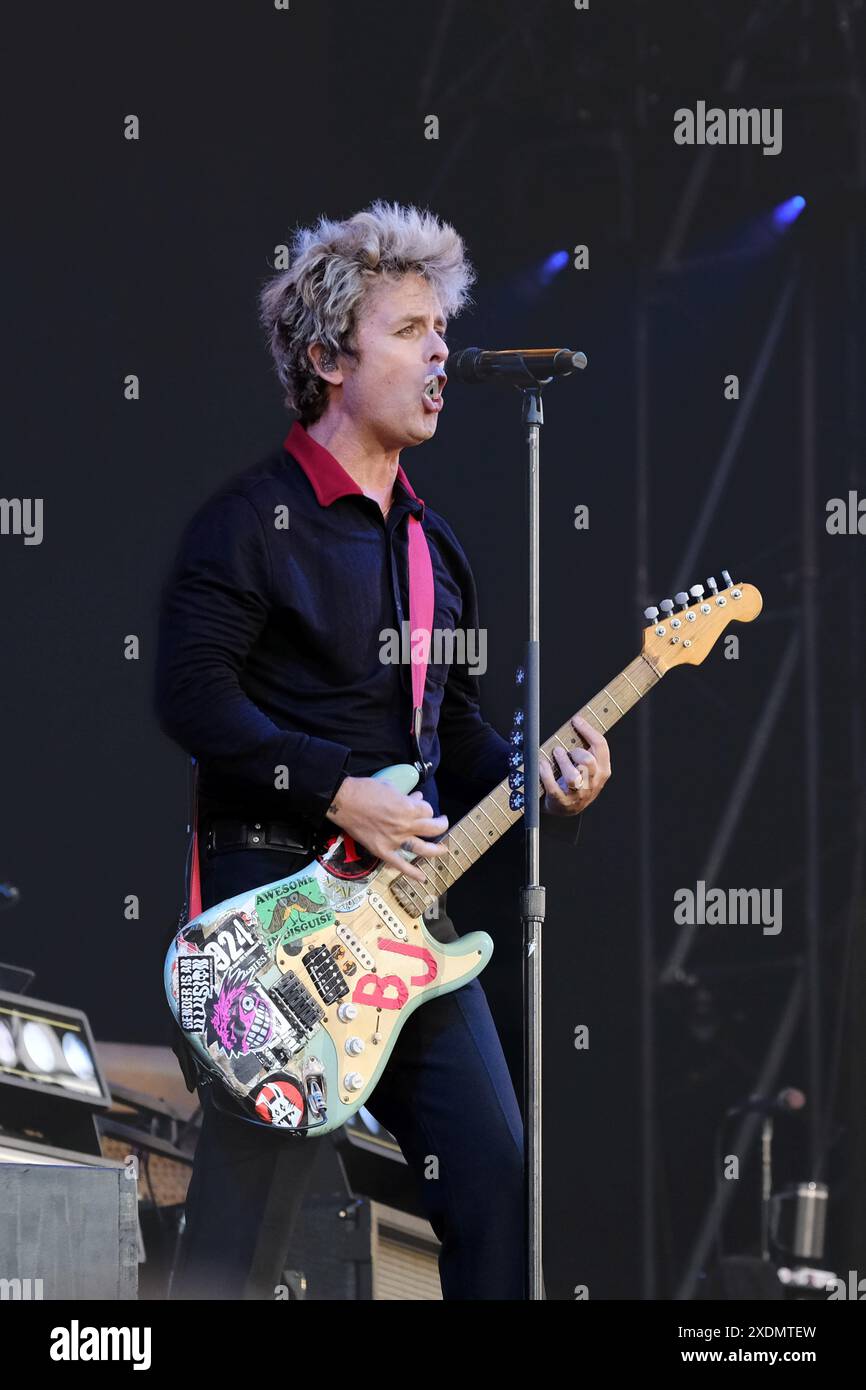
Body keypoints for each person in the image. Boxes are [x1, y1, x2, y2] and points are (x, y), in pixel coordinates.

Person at [155, 200, 611, 1301]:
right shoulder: (245, 521)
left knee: (496, 1179)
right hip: (276, 911)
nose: (441, 353)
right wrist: (335, 791)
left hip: (403, 922)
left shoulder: (433, 547)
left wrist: (538, 783)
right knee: (238, 1237)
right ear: (326, 356)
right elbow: (191, 695)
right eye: (411, 330)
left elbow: (446, 740)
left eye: (441, 331)